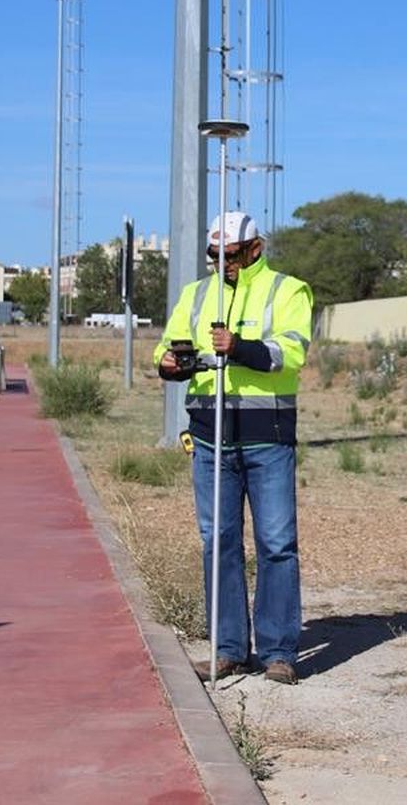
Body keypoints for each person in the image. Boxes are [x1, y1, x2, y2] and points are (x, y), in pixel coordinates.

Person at [154, 211, 314, 685]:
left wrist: (238, 347)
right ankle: (227, 649)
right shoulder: (197, 295)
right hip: (211, 436)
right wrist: (170, 364)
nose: (221, 265)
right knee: (218, 543)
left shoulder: (289, 291)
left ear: (255, 249)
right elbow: (168, 350)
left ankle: (279, 652)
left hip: (268, 437)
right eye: (214, 256)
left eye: (231, 256)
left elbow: (291, 352)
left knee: (277, 544)